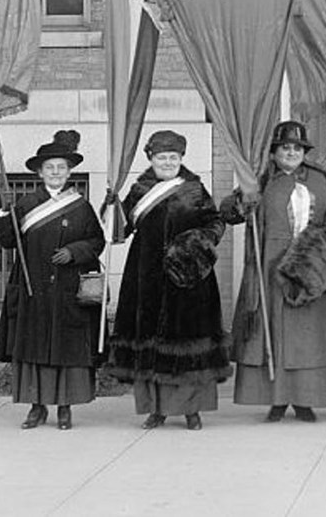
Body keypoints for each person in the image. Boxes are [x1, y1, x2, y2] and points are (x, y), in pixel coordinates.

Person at [222, 120, 326, 423]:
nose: (291, 152)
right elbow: (229, 212)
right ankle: (277, 400)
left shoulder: (321, 181)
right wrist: (243, 198)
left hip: (309, 266)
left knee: (309, 336)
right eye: (285, 147)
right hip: (270, 268)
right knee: (276, 333)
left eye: (297, 147)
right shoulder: (260, 180)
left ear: (303, 151)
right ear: (275, 152)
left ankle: (306, 400)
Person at [108, 130, 230, 430]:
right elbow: (119, 231)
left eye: (173, 157)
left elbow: (215, 222)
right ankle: (156, 410)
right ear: (150, 159)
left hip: (189, 278)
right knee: (151, 344)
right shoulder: (138, 190)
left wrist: (195, 243)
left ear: (181, 159)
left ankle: (192, 411)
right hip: (146, 277)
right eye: (161, 157)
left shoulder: (194, 189)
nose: (167, 162)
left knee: (189, 343)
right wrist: (111, 205)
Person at [0, 130, 105, 430]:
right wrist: (4, 211)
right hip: (34, 291)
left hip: (68, 290)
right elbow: (7, 241)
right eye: (50, 168)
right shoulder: (27, 204)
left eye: (61, 168)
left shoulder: (82, 207)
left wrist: (74, 251)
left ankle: (65, 408)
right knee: (35, 349)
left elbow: (97, 241)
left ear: (69, 172)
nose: (56, 173)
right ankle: (36, 408)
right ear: (40, 172)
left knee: (66, 349)